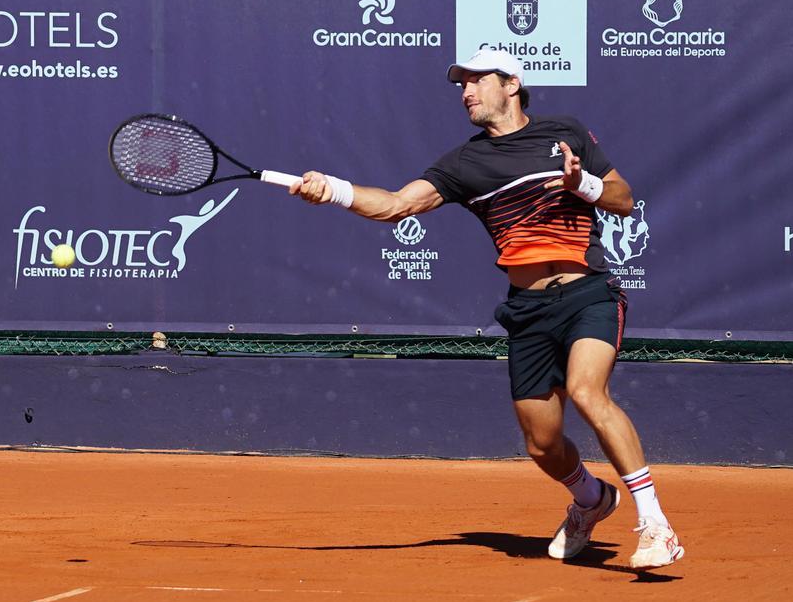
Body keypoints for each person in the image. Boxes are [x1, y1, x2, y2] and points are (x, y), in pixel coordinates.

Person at [289, 48, 685, 570]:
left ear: (512, 84)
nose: (466, 92)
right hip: (527, 310)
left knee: (589, 392)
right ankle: (592, 500)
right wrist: (333, 191)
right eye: (461, 85)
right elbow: (394, 204)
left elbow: (623, 198)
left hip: (587, 293)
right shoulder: (464, 164)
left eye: (477, 82)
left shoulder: (563, 131)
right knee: (542, 445)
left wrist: (580, 185)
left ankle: (655, 524)